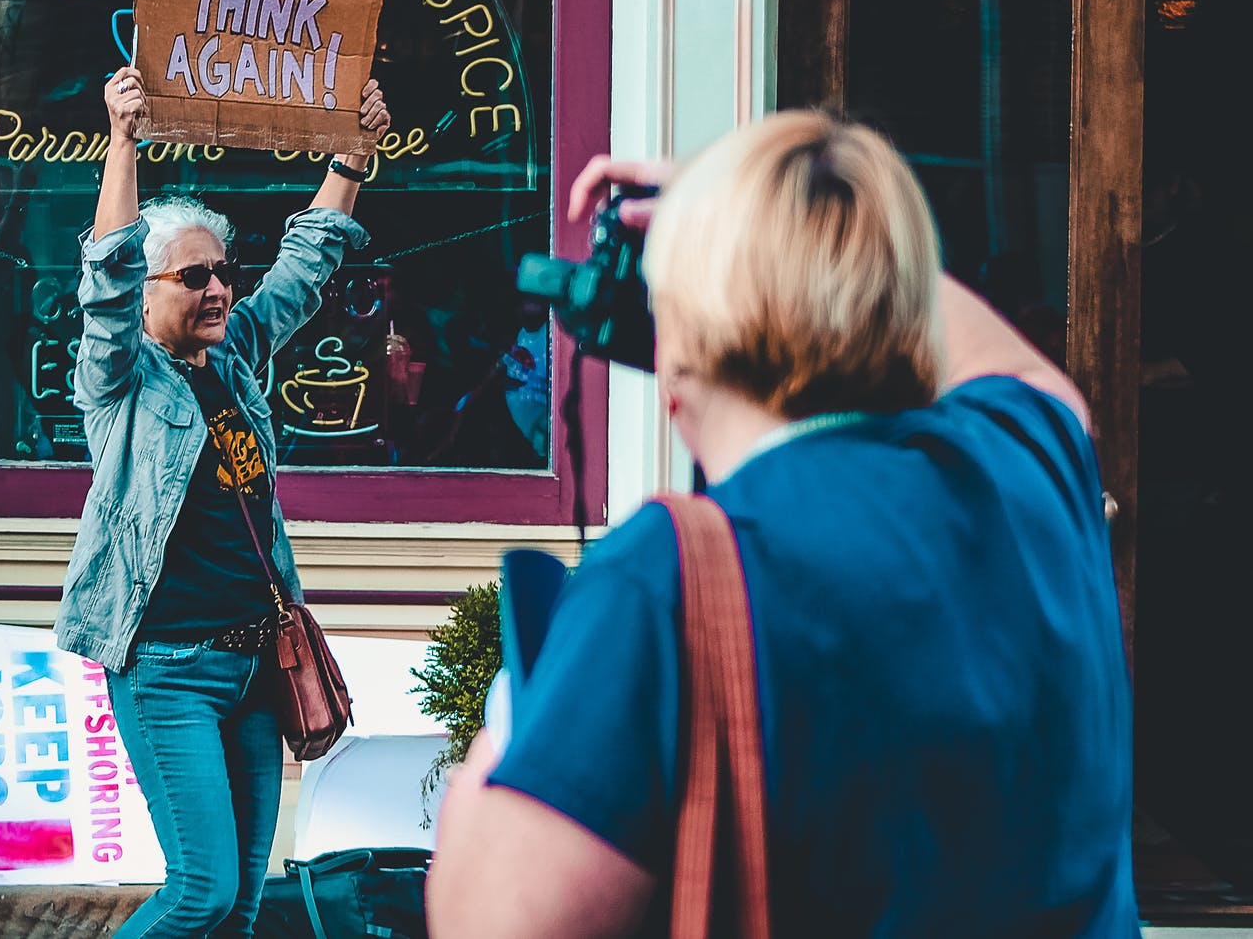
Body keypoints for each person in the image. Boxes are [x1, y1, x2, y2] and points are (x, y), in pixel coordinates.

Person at [427, 111, 1138, 938]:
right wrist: (805, 236)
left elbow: (500, 922)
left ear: (675, 357)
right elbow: (1018, 369)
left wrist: (510, 726)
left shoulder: (669, 576)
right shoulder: (1028, 467)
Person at [55, 65, 391, 938]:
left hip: (253, 665)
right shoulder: (120, 380)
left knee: (239, 907)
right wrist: (123, 140)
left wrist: (349, 161)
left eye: (221, 272)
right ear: (149, 293)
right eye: (192, 276)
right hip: (168, 667)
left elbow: (305, 267)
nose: (217, 289)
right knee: (198, 890)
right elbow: (104, 279)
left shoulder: (233, 356)